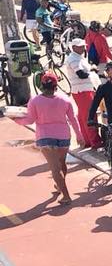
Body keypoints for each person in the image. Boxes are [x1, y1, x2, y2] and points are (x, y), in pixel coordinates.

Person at [12, 72, 84, 204]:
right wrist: (79, 136)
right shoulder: (65, 100)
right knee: (61, 163)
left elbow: (30, 120)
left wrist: (16, 120)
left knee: (54, 168)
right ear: (56, 85)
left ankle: (66, 195)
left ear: (42, 85)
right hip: (63, 136)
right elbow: (73, 120)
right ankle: (59, 185)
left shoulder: (34, 101)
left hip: (45, 137)